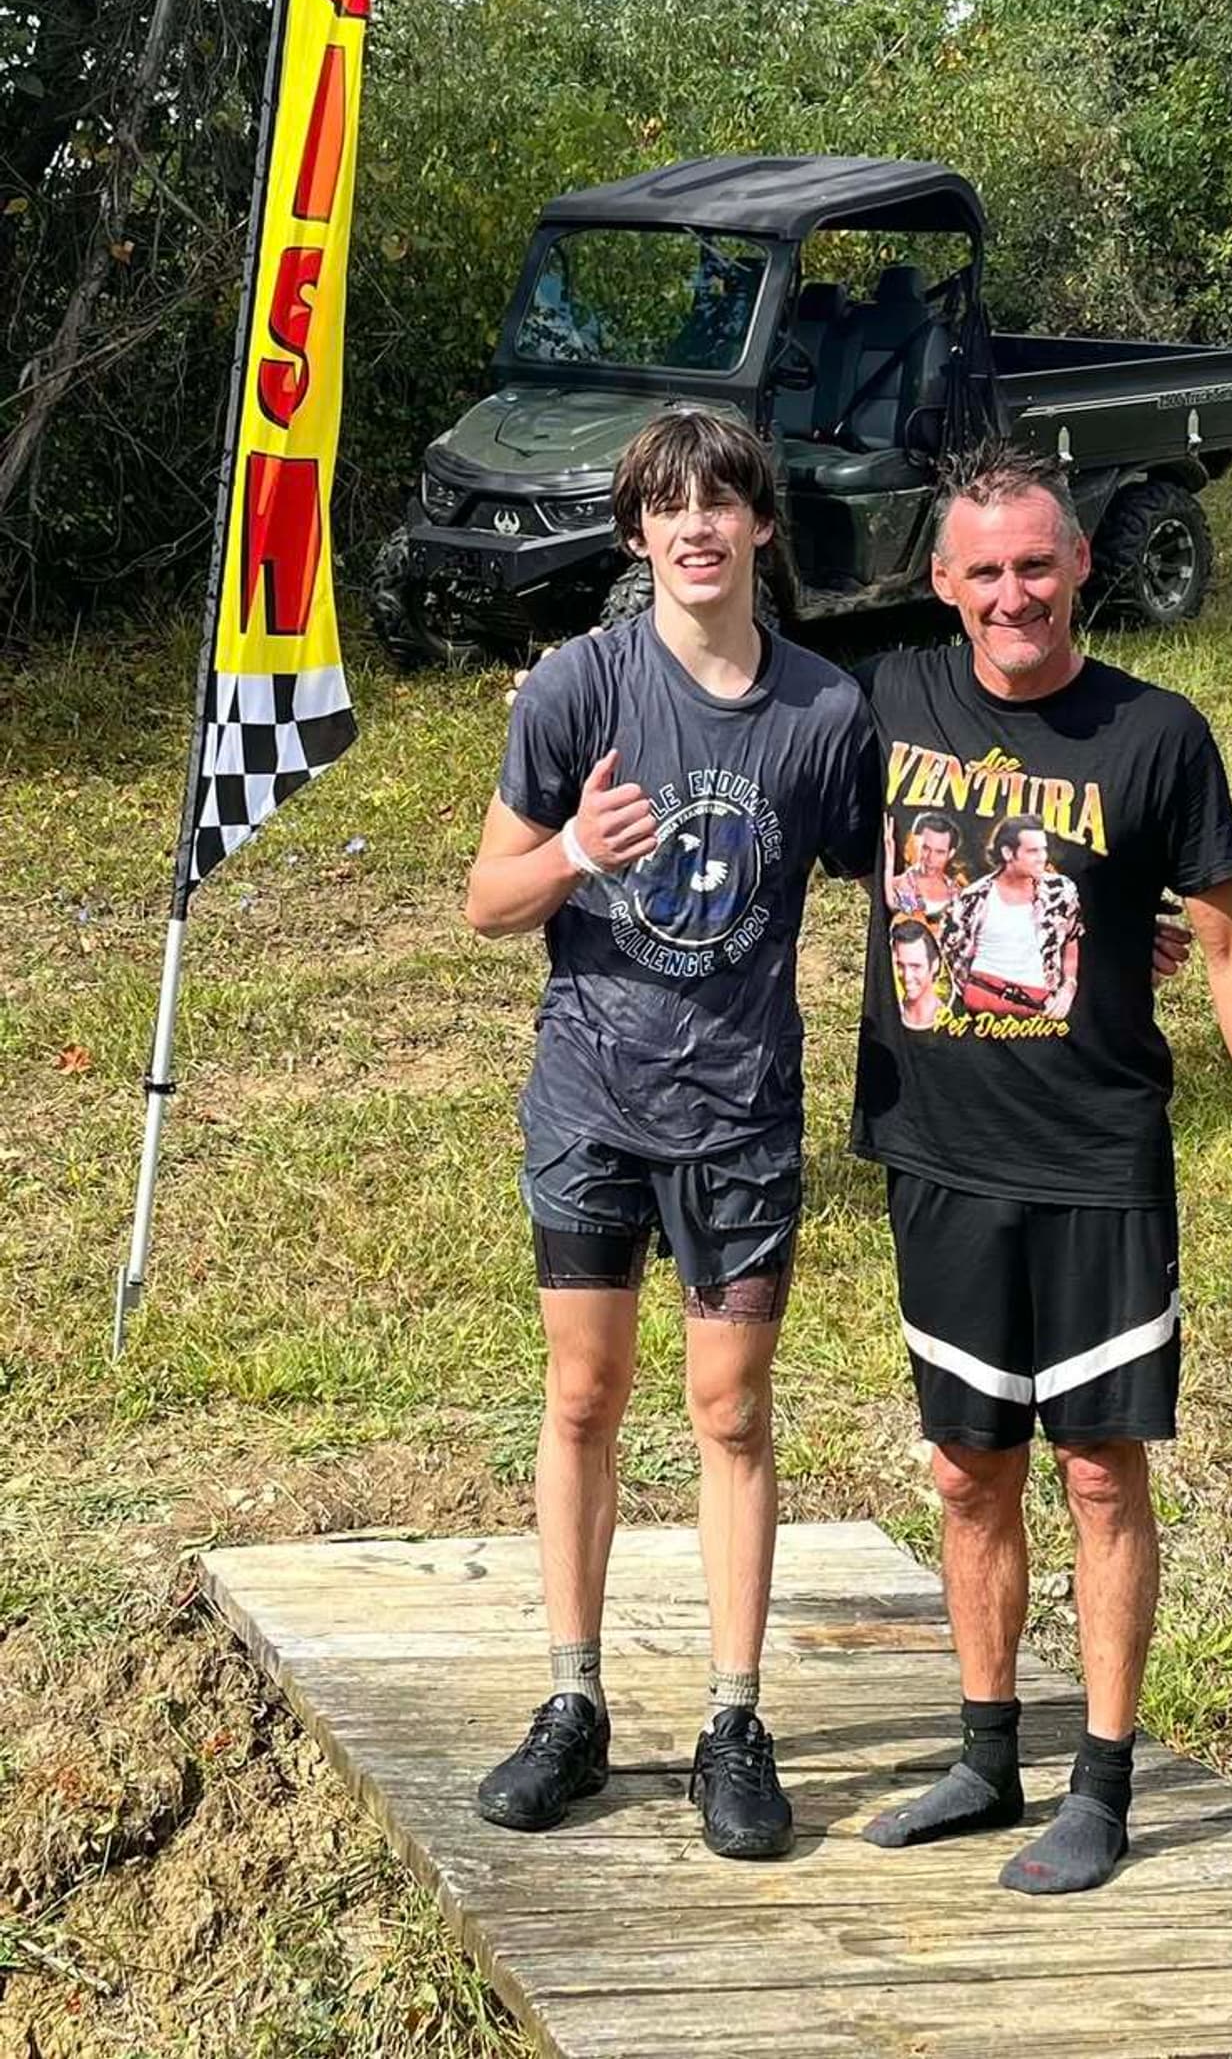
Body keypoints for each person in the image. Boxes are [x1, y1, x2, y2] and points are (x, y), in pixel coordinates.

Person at [853, 445, 1232, 1893]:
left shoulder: (1159, 735)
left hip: (1102, 1162)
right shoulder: (881, 705)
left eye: (1037, 565)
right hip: (939, 1160)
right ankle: (986, 1759)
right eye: (983, 571)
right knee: (964, 1468)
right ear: (941, 584)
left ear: (1082, 569)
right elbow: (735, 749)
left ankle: (1100, 1783)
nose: (1014, 595)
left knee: (1100, 1474)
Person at [464, 410, 877, 1860]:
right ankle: (573, 1700)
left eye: (723, 503)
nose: (696, 526)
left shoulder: (827, 713)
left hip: (741, 1113)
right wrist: (575, 852)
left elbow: (912, 875)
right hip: (591, 1101)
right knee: (583, 1399)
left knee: (730, 1414)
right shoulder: (578, 689)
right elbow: (485, 900)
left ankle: (732, 1717)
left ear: (763, 526)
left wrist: (1078, 907)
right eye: (668, 506)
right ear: (639, 532)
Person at [940, 814, 1081, 1020]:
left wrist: (1069, 986)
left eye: (1043, 849)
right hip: (981, 1001)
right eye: (1033, 851)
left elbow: (1071, 939)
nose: (1042, 857)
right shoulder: (974, 897)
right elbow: (949, 954)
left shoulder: (1062, 891)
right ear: (1008, 853)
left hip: (1040, 1007)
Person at [885, 809, 961, 919]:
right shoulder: (897, 885)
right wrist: (889, 865)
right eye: (925, 848)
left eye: (939, 852)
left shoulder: (957, 895)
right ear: (915, 844)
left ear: (950, 853)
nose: (930, 858)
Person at [890, 916, 947, 1031]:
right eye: (900, 966)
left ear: (935, 965)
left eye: (915, 967)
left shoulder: (949, 1021)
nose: (907, 977)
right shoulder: (889, 1014)